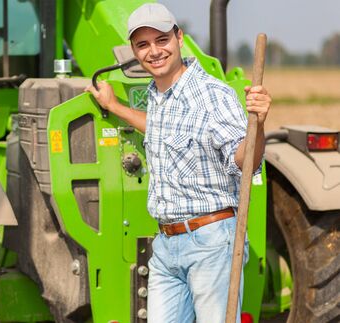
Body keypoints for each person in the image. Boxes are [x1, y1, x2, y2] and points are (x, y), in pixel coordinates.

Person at [86, 3, 272, 323]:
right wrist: (114, 106)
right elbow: (161, 130)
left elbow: (245, 162)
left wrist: (259, 124)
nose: (154, 51)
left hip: (211, 243)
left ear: (179, 38)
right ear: (133, 50)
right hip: (167, 247)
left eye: (161, 40)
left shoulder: (213, 95)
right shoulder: (158, 94)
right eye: (143, 45)